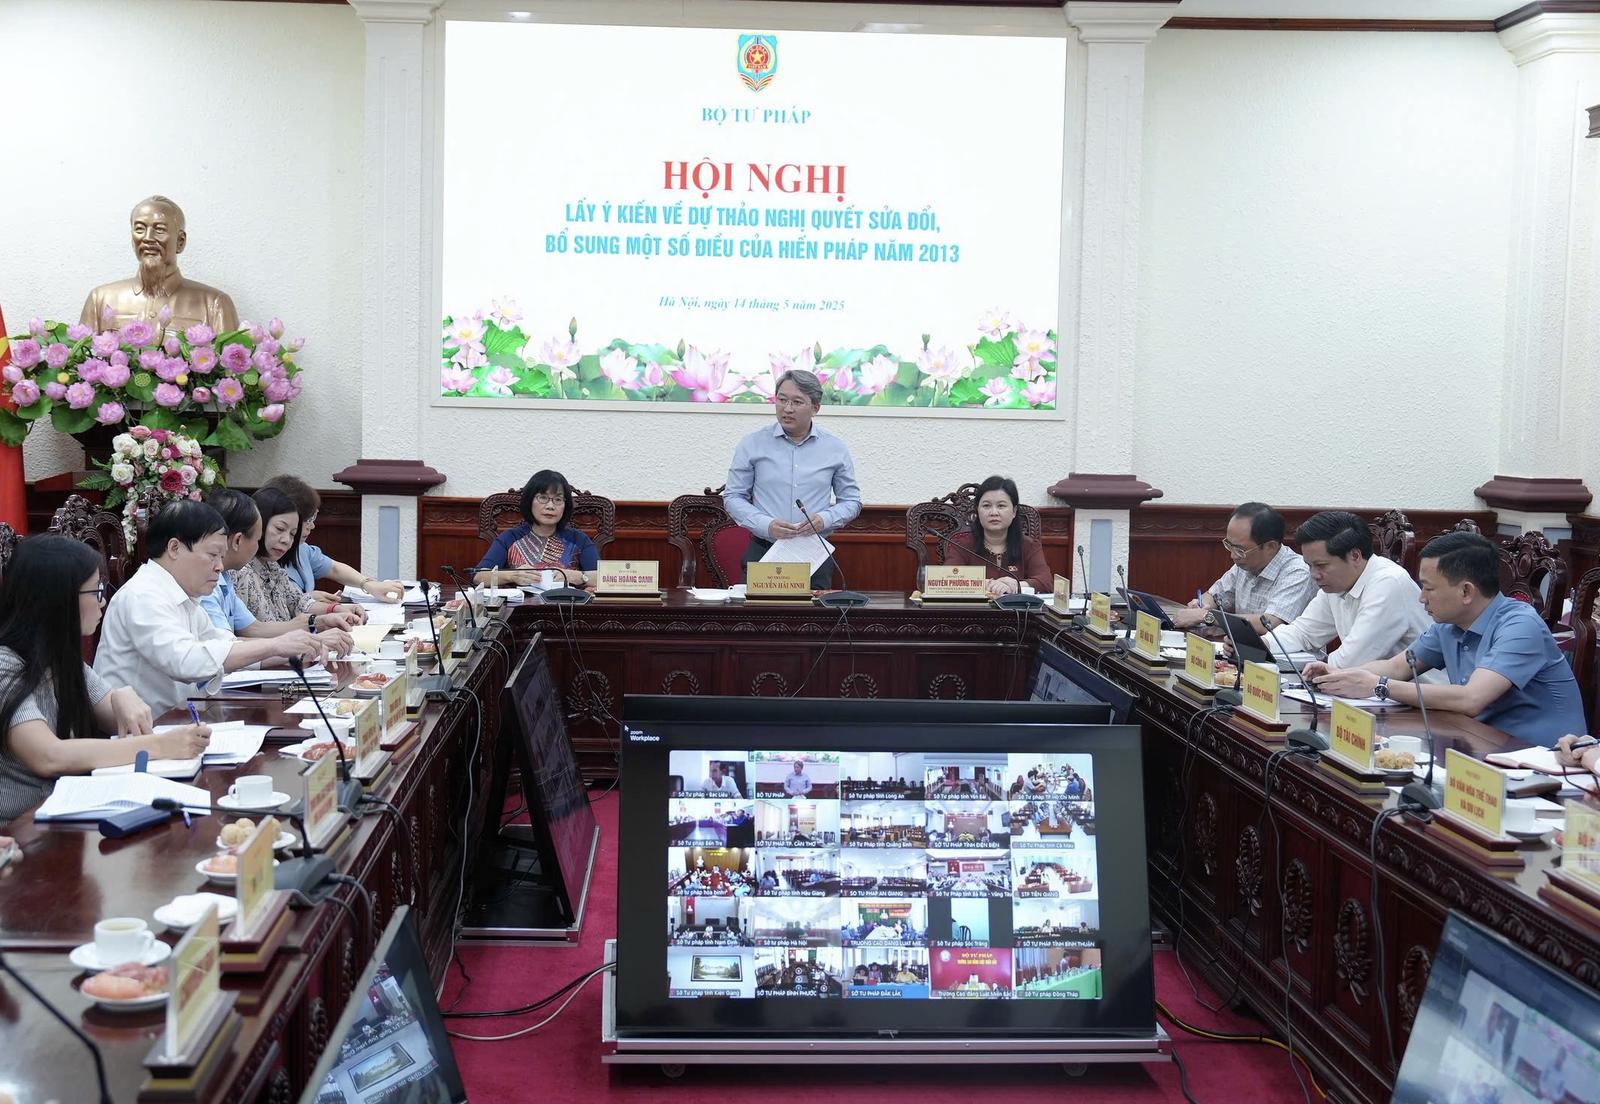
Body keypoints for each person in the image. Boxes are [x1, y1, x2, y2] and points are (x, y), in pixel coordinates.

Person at [0, 535, 210, 823]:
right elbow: (49, 756)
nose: (103, 601)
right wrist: (160, 746)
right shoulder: (5, 664)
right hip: (19, 828)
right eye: (96, 590)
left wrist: (122, 694)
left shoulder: (62, 658)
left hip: (67, 812)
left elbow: (116, 715)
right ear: (58, 599)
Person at [1311, 532, 1585, 747]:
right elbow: (1396, 667)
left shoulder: (1520, 625)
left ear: (1466, 591)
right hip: (1478, 743)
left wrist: (1378, 686)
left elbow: (1471, 699)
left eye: (1428, 588)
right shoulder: (1450, 625)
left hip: (1543, 761)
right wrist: (1338, 675)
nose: (1421, 598)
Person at [94, 500, 337, 717]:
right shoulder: (143, 595)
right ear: (175, 548)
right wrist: (274, 645)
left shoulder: (183, 594)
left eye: (222, 556)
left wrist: (299, 648)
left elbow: (227, 647)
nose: (220, 566)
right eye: (213, 555)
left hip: (179, 722)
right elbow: (186, 661)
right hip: (142, 736)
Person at [723, 368, 862, 588]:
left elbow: (852, 501)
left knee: (813, 612)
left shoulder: (835, 448)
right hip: (764, 549)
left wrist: (824, 519)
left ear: (815, 408)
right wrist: (766, 525)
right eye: (782, 400)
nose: (787, 409)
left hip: (813, 553)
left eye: (797, 402)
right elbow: (733, 497)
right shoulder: (752, 444)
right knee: (758, 611)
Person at [1253, 510, 1431, 668]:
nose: (1314, 574)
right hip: (1368, 688)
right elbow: (1303, 632)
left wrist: (1316, 669)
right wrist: (1260, 644)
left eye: (1321, 565)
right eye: (1309, 565)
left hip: (1418, 692)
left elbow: (1351, 661)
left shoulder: (1388, 583)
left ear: (1355, 556)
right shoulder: (1336, 584)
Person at [200, 489, 362, 639]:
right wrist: (308, 639)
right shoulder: (221, 577)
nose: (286, 540)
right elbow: (227, 646)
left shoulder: (248, 571)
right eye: (279, 529)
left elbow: (255, 627)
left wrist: (323, 619)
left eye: (292, 534)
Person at [1170, 502, 1317, 631]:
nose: (1233, 556)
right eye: (1229, 545)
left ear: (1270, 547)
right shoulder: (1245, 563)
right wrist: (1201, 606)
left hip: (1286, 654)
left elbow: (1270, 623)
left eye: (1240, 550)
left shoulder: (1298, 571)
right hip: (1240, 649)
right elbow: (1214, 596)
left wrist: (1207, 616)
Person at [262, 474, 406, 604]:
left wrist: (369, 584)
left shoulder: (302, 549)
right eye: (308, 520)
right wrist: (307, 600)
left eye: (314, 518)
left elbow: (333, 568)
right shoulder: (257, 563)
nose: (312, 526)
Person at [472, 470, 599, 587]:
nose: (550, 506)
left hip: (567, 603)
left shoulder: (578, 539)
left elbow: (604, 578)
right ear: (529, 501)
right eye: (543, 498)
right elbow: (478, 576)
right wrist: (511, 575)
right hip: (521, 604)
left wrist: (580, 576)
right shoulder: (510, 538)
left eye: (558, 499)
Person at [941, 475, 1051, 595]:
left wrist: (1016, 585)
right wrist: (986, 584)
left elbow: (1046, 582)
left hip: (1016, 607)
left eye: (1001, 506)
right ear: (977, 511)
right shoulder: (961, 545)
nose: (994, 513)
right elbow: (946, 580)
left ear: (1014, 511)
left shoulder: (1029, 545)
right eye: (986, 506)